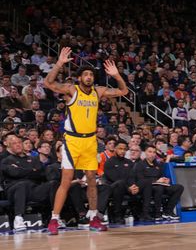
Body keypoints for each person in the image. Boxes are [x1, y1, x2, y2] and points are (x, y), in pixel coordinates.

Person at [43, 47, 129, 234]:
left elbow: (123, 91)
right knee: (66, 180)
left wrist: (116, 75)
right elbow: (48, 83)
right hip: (72, 141)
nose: (89, 76)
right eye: (85, 74)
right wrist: (59, 63)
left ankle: (93, 217)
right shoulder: (71, 91)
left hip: (90, 141)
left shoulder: (98, 92)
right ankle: (54, 219)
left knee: (92, 179)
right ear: (80, 78)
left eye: (91, 74)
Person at [1, 134, 52, 232]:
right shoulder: (6, 160)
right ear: (9, 146)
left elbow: (41, 174)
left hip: (32, 189)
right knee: (22, 184)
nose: (18, 145)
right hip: (13, 190)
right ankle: (18, 218)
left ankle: (54, 216)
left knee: (52, 184)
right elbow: (14, 173)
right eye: (14, 143)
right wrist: (31, 170)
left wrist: (21, 170)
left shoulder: (33, 159)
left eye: (19, 142)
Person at [133, 146, 183, 221]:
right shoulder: (140, 165)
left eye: (154, 152)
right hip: (148, 188)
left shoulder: (157, 165)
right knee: (159, 188)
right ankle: (157, 213)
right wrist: (156, 181)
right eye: (150, 152)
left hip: (160, 185)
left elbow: (161, 176)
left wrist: (165, 180)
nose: (152, 154)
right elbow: (141, 180)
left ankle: (168, 211)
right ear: (145, 153)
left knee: (179, 187)